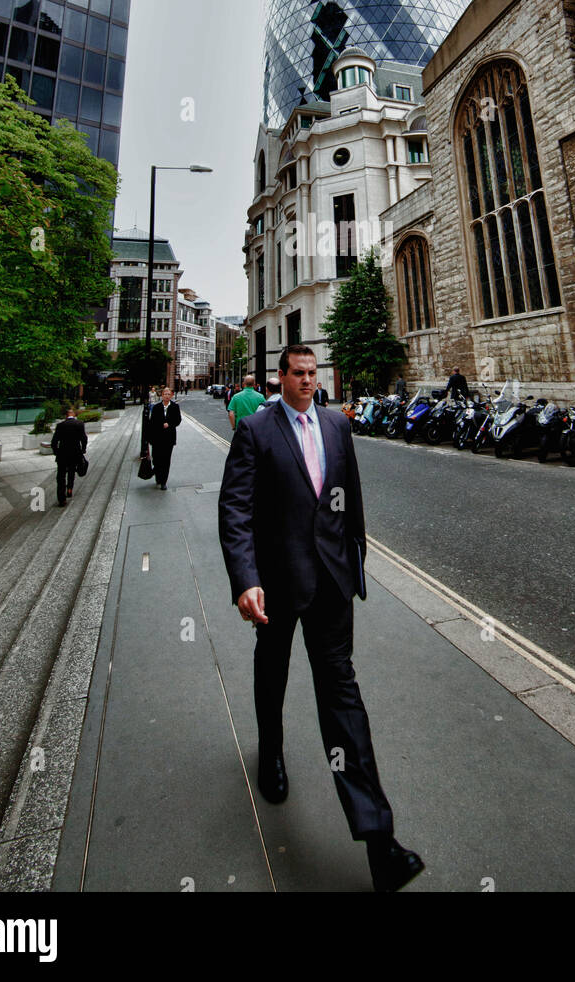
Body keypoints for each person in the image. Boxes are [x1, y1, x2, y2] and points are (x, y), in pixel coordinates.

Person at [218, 343, 424, 893]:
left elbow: (349, 499)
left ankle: (380, 841)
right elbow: (235, 509)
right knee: (274, 671)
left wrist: (355, 557)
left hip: (331, 585)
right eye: (298, 374)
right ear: (280, 377)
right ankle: (272, 749)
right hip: (278, 584)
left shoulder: (337, 427)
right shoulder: (256, 432)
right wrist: (245, 579)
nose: (307, 381)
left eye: (313, 374)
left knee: (343, 701)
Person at [51, 405, 87, 507]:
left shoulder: (60, 425)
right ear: (74, 415)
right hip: (75, 453)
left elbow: (54, 442)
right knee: (71, 472)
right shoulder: (79, 424)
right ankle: (70, 489)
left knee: (61, 476)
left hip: (62, 454)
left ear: (66, 416)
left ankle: (61, 499)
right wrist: (83, 449)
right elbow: (84, 438)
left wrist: (56, 452)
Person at [148, 386, 181, 490]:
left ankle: (163, 482)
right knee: (157, 459)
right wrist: (161, 424)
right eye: (164, 394)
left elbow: (178, 420)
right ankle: (157, 475)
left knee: (166, 460)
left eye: (168, 394)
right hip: (157, 438)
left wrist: (169, 424)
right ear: (161, 396)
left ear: (171, 395)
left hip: (169, 438)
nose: (166, 396)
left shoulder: (175, 406)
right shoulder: (157, 407)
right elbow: (152, 422)